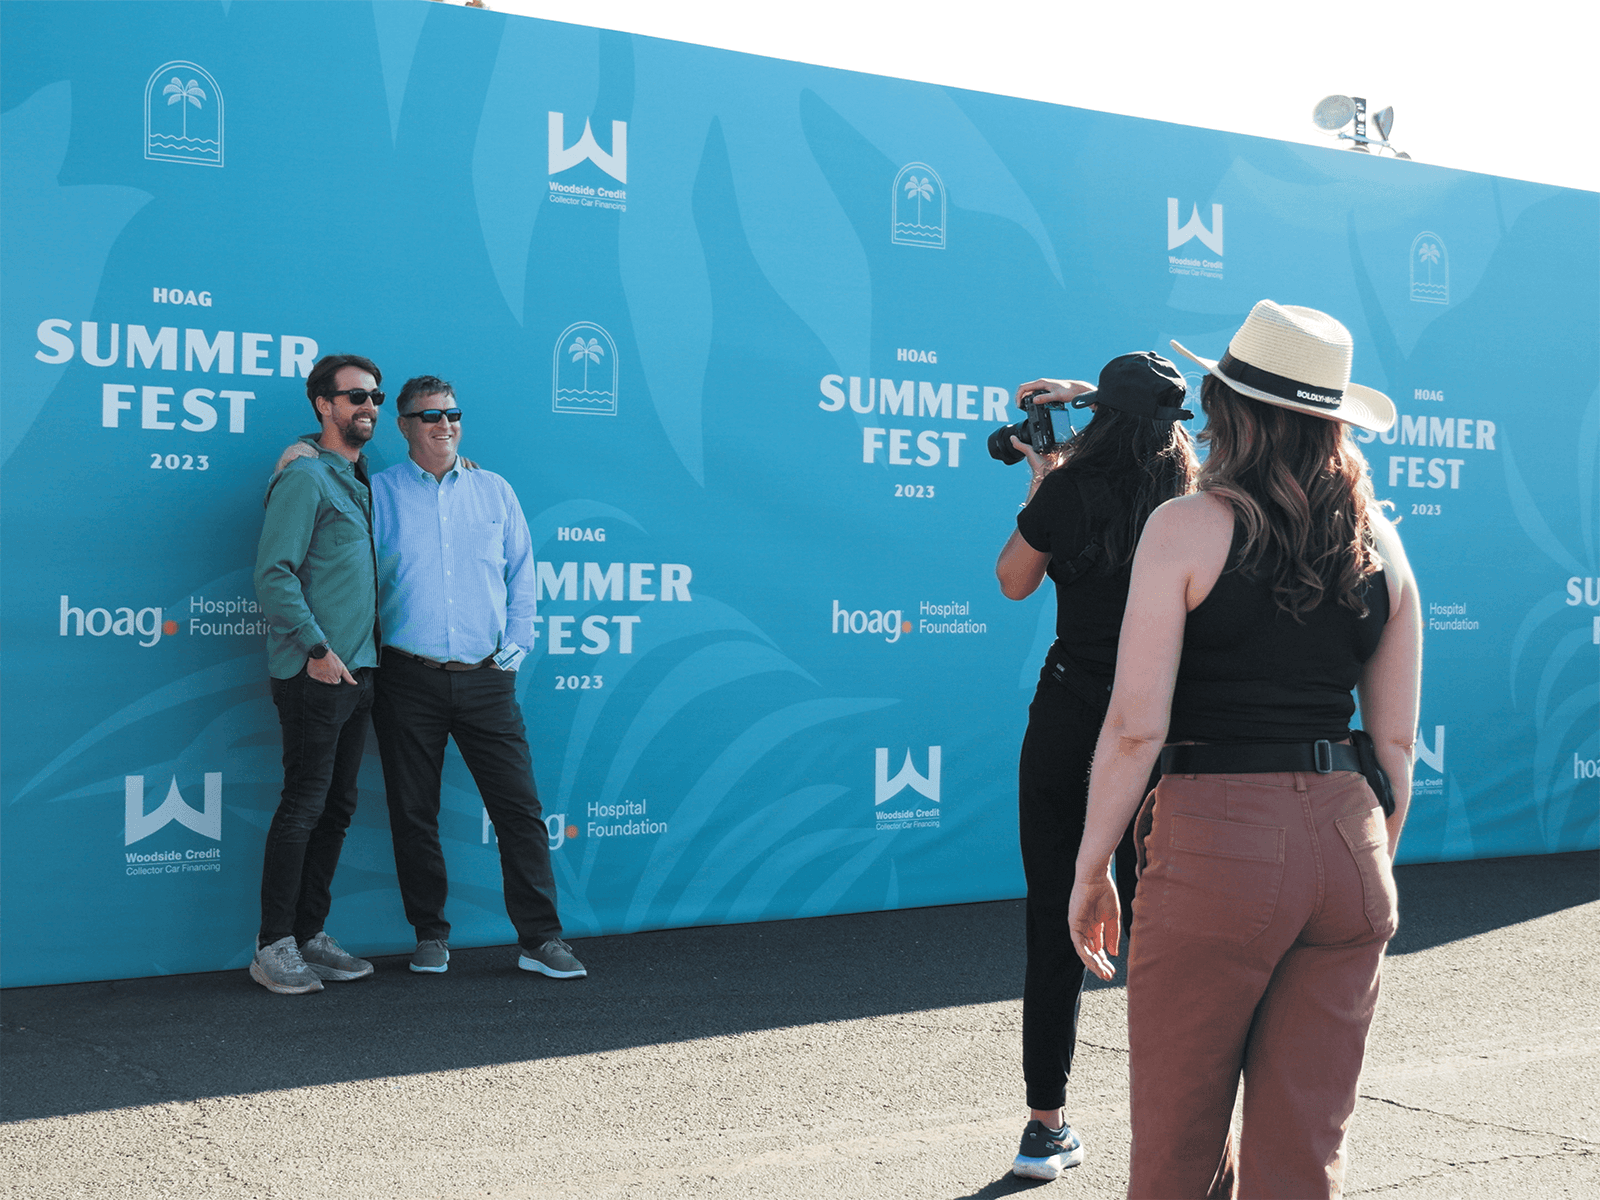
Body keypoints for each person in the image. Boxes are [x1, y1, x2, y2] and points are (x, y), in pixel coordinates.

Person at [1068, 301, 1422, 1198]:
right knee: (1303, 1156)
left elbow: (1135, 726)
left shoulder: (1186, 527)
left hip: (1217, 840)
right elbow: (1395, 744)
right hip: (1350, 840)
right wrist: (1363, 857)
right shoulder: (1384, 546)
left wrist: (1092, 864)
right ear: (1333, 424)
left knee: (1177, 1150)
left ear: (1229, 410)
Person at [293, 375, 585, 979]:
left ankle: (541, 939)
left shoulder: (494, 490)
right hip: (407, 677)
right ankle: (430, 935)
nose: (444, 424)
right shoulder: (377, 493)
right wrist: (296, 450)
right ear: (403, 426)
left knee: (519, 810)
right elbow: (349, 567)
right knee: (413, 813)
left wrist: (515, 649)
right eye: (429, 416)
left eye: (452, 413)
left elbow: (522, 574)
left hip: (487, 678)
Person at [995, 352, 1199, 1180]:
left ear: (1101, 417)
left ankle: (1044, 1127)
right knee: (1167, 932)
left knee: (1056, 916)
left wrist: (1044, 478)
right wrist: (1091, 398)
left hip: (1071, 719)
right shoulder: (1195, 501)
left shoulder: (1070, 488)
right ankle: (1179, 1125)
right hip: (1163, 728)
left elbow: (1013, 581)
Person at [250, 354, 386, 994]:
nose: (368, 406)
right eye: (355, 396)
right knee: (304, 805)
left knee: (336, 808)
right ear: (323, 405)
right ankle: (272, 945)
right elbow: (273, 574)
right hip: (315, 671)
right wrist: (316, 649)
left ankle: (309, 934)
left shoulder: (357, 478)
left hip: (359, 674)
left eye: (375, 396)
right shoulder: (305, 477)